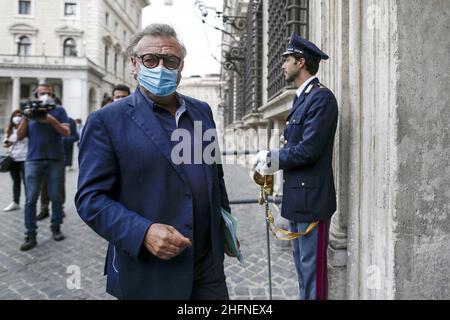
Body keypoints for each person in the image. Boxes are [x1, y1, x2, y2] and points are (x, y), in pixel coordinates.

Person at [75, 23, 234, 300]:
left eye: (170, 60)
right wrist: (143, 231)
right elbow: (90, 199)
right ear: (135, 64)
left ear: (180, 67)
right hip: (150, 270)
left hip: (208, 266)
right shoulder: (106, 121)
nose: (160, 67)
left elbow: (214, 175)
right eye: (151, 59)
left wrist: (225, 228)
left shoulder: (202, 112)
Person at [252, 33, 338, 300]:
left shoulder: (321, 98)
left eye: (287, 60)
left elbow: (309, 150)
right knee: (303, 271)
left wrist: (272, 158)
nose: (282, 65)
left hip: (312, 201)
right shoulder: (304, 98)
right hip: (298, 198)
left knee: (313, 275)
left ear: (301, 62)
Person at [17, 84, 70, 251]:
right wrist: (26, 118)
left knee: (56, 196)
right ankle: (30, 235)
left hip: (55, 159)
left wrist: (52, 120)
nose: (45, 96)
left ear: (53, 96)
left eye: (48, 93)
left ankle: (56, 228)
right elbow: (19, 136)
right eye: (42, 93)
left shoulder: (59, 110)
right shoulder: (29, 110)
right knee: (31, 199)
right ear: (36, 96)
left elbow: (66, 133)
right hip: (33, 160)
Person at [2, 110, 28, 212]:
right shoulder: (10, 129)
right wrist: (12, 139)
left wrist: (13, 139)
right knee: (16, 181)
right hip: (13, 159)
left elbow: (16, 138)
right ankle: (15, 202)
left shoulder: (27, 128)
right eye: (15, 116)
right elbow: (5, 144)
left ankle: (28, 202)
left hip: (25, 158)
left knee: (27, 182)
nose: (17, 118)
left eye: (19, 116)